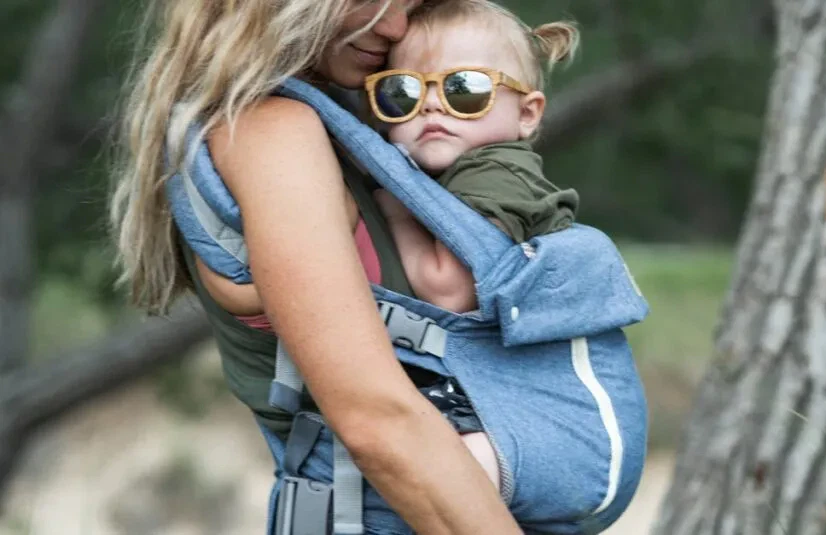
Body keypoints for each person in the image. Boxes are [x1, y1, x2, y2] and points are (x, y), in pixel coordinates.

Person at [108, 0, 521, 533]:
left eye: (411, 4)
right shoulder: (271, 135)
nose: (395, 25)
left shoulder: (348, 124)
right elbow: (376, 421)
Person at [366, 0, 580, 492]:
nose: (434, 105)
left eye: (466, 90)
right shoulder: (458, 174)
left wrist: (394, 210)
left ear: (527, 114)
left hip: (533, 402)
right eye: (403, 92)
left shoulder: (498, 172)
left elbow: (448, 290)